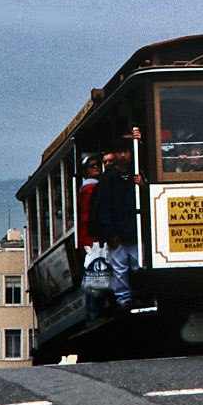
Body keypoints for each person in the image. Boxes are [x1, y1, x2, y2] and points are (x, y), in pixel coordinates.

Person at [90, 129, 143, 310]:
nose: (123, 155)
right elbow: (103, 208)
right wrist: (110, 233)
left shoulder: (137, 173)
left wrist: (142, 186)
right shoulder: (108, 179)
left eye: (126, 152)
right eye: (119, 152)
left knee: (137, 264)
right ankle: (123, 300)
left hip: (135, 230)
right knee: (120, 268)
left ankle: (140, 295)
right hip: (117, 233)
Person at [76, 155, 102, 258]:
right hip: (90, 234)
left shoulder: (86, 188)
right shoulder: (89, 189)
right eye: (92, 166)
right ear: (86, 170)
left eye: (98, 165)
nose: (96, 167)